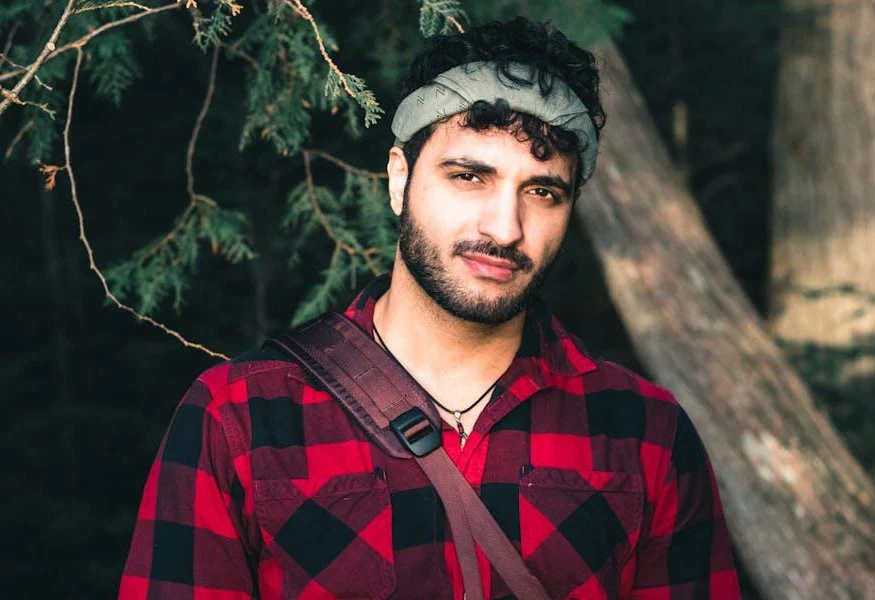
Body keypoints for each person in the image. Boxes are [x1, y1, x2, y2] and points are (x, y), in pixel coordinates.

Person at [119, 17, 740, 600]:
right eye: (469, 176)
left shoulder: (643, 432)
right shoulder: (241, 415)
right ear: (399, 179)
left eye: (542, 191)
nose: (505, 228)